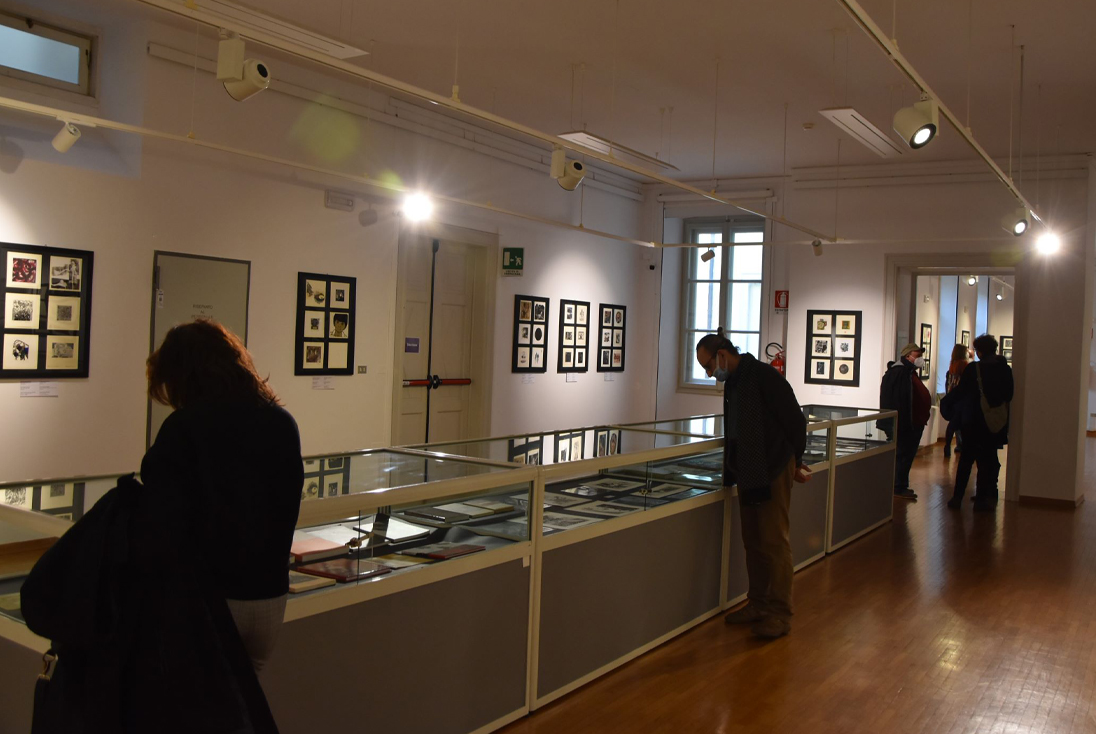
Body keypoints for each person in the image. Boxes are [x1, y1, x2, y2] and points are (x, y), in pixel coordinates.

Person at [142, 319, 304, 670]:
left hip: (211, 597)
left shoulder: (184, 427)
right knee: (247, 695)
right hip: (269, 596)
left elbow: (161, 517)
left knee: (197, 696)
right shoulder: (280, 421)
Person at [696, 328, 809, 640]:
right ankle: (758, 603)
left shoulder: (763, 376)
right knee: (754, 541)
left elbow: (795, 421)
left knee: (774, 542)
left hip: (772, 467)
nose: (709, 373)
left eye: (708, 365)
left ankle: (780, 613)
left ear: (722, 354)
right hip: (748, 470)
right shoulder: (734, 382)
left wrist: (795, 461)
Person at [941, 334, 1013, 511]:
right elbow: (1009, 394)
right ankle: (983, 498)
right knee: (987, 461)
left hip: (973, 421)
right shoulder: (1005, 369)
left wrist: (946, 403)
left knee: (966, 461)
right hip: (994, 422)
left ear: (979, 351)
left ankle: (957, 497)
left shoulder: (974, 369)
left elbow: (961, 391)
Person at [879, 343, 931, 500]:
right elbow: (894, 400)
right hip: (905, 424)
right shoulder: (898, 373)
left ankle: (901, 485)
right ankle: (898, 487)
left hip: (912, 423)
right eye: (917, 355)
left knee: (906, 456)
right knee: (903, 455)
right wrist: (892, 424)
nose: (920, 358)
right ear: (908, 356)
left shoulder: (908, 372)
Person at [943, 344, 970, 458]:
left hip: (952, 398)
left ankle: (948, 445)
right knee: (961, 423)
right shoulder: (965, 366)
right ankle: (961, 444)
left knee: (953, 423)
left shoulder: (951, 366)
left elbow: (948, 384)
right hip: (961, 399)